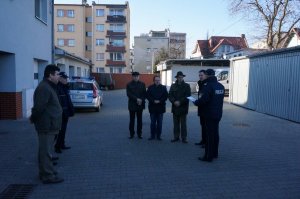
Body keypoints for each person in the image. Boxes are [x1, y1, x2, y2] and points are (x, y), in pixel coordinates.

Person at [30, 64, 64, 184]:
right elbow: (39, 107)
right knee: (45, 151)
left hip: (50, 125)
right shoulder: (44, 88)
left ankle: (47, 171)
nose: (59, 77)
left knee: (46, 150)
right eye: (57, 75)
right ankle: (47, 175)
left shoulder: (49, 86)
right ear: (50, 75)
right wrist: (33, 118)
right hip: (46, 126)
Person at [194, 69, 225, 162]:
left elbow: (203, 100)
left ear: (207, 75)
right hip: (218, 114)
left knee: (209, 135)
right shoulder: (221, 86)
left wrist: (196, 102)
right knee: (215, 134)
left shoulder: (208, 86)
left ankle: (208, 156)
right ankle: (215, 153)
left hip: (209, 114)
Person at [168, 71, 191, 143]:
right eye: (179, 77)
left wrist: (180, 102)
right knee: (176, 124)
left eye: (181, 77)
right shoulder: (173, 86)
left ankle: (184, 138)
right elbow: (170, 95)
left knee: (183, 124)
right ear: (177, 78)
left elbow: (188, 96)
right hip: (175, 107)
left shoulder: (187, 86)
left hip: (183, 108)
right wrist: (174, 101)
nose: (180, 78)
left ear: (183, 77)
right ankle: (176, 137)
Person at [54, 72, 74, 154]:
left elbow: (67, 100)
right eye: (65, 78)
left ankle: (62, 144)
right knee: (60, 131)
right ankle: (57, 147)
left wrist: (71, 110)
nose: (66, 80)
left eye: (66, 78)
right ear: (60, 79)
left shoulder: (65, 87)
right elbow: (58, 102)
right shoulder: (58, 88)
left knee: (64, 130)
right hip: (61, 113)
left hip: (66, 113)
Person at [146, 75, 168, 140]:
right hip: (152, 108)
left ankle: (159, 136)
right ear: (154, 81)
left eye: (158, 80)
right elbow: (147, 96)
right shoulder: (150, 87)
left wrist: (159, 101)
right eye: (156, 80)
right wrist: (153, 100)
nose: (157, 81)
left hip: (160, 108)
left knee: (160, 123)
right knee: (152, 123)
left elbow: (166, 96)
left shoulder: (164, 88)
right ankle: (152, 135)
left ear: (160, 81)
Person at [126, 71, 146, 139]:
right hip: (132, 105)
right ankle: (131, 134)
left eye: (137, 76)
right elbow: (129, 94)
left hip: (140, 105)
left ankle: (139, 134)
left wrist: (141, 100)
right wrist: (137, 99)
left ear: (139, 77)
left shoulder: (142, 84)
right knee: (132, 120)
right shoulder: (129, 84)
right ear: (132, 77)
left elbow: (144, 94)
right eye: (134, 76)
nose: (136, 77)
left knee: (140, 121)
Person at [195, 70, 208, 147]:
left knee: (206, 127)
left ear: (205, 75)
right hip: (201, 108)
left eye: (201, 75)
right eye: (199, 75)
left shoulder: (207, 84)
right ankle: (203, 140)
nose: (200, 76)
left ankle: (206, 142)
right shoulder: (200, 83)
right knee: (202, 125)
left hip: (206, 109)